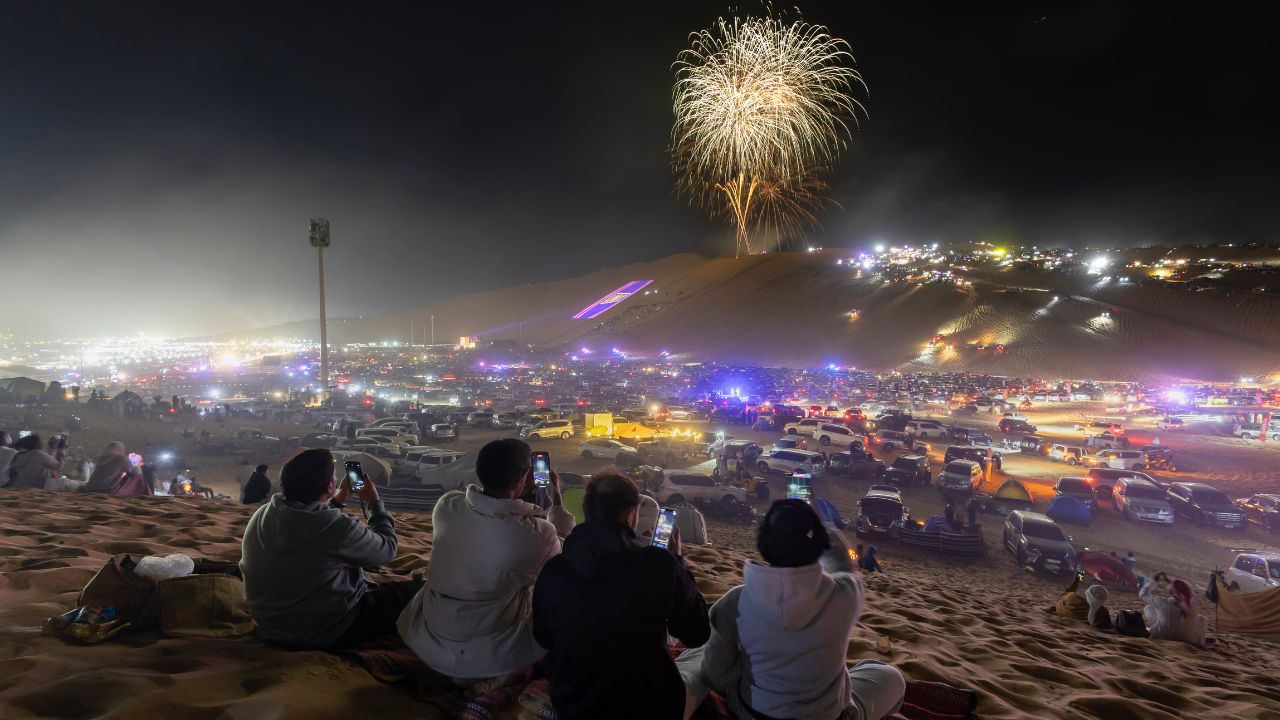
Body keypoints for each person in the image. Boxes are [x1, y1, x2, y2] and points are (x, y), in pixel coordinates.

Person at [679, 499, 905, 720]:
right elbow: (844, 566)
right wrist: (825, 530)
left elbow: (718, 676)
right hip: (830, 714)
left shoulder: (734, 603)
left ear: (764, 543)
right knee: (890, 677)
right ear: (818, 544)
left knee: (699, 656)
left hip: (753, 713)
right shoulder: (845, 594)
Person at [533, 471, 710, 720]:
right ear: (630, 516)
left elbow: (543, 638)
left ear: (588, 512)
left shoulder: (554, 570)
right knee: (702, 659)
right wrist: (678, 563)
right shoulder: (659, 564)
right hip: (649, 706)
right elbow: (698, 633)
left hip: (576, 704)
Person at [398, 438, 575, 682]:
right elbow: (563, 557)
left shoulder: (446, 506)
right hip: (485, 656)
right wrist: (556, 496)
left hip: (429, 636)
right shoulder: (535, 535)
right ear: (523, 478)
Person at [240, 448, 410, 649]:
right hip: (325, 630)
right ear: (330, 486)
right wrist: (374, 503)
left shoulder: (263, 514)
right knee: (412, 592)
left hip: (270, 627)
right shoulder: (339, 529)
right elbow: (388, 548)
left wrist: (337, 501)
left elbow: (308, 526)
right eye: (334, 477)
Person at [1140, 575, 1205, 647]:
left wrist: (1155, 580)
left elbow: (1143, 594)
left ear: (1172, 592)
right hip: (1190, 640)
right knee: (1201, 619)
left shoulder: (1164, 602)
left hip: (1161, 635)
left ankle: (1155, 627)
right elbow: (1190, 594)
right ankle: (1202, 641)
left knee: (1149, 608)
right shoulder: (1193, 606)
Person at [82, 442, 151, 495]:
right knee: (139, 477)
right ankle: (145, 493)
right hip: (108, 491)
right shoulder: (120, 458)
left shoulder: (101, 458)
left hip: (90, 489)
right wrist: (136, 464)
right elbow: (135, 472)